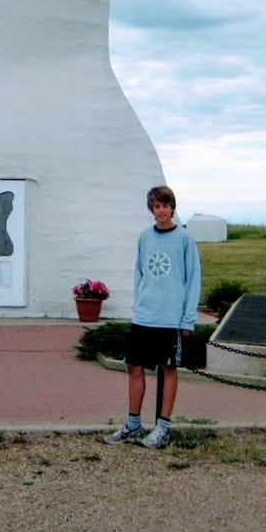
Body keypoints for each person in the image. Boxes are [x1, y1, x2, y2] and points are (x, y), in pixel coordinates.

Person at [104, 185, 201, 449]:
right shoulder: (145, 237)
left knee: (168, 368)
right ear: (151, 209)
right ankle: (133, 424)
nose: (161, 211)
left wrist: (187, 318)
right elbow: (140, 273)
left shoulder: (184, 239)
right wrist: (139, 305)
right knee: (134, 367)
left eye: (165, 206)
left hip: (170, 318)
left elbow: (193, 279)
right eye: (156, 207)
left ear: (172, 207)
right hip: (145, 316)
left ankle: (163, 427)